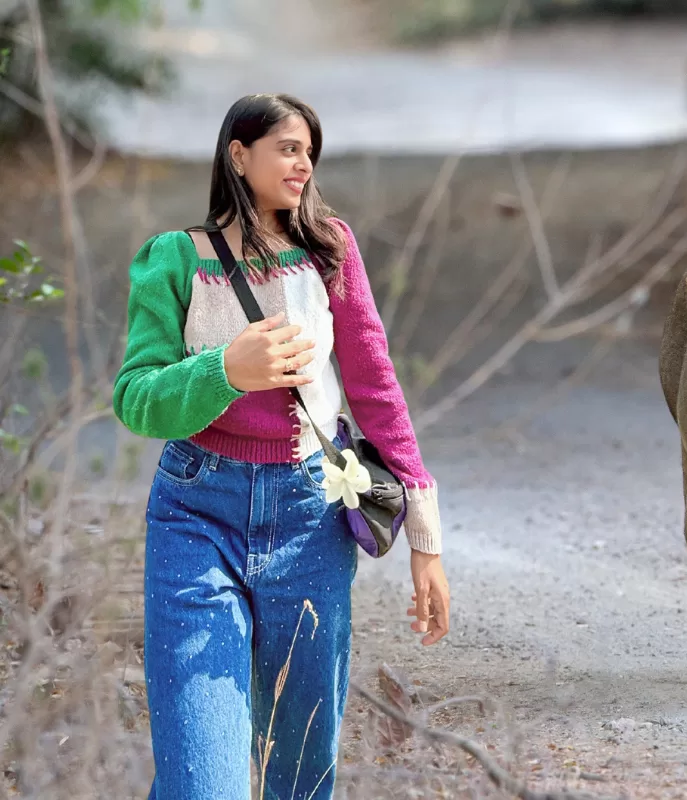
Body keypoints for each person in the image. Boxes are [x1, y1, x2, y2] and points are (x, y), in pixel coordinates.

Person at [112, 92, 450, 800]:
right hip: (195, 516)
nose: (303, 163)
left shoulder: (329, 249)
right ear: (239, 154)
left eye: (308, 150)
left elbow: (375, 384)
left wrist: (425, 538)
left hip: (311, 521)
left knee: (300, 775)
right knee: (203, 781)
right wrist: (223, 372)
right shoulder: (175, 260)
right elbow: (134, 397)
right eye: (287, 148)